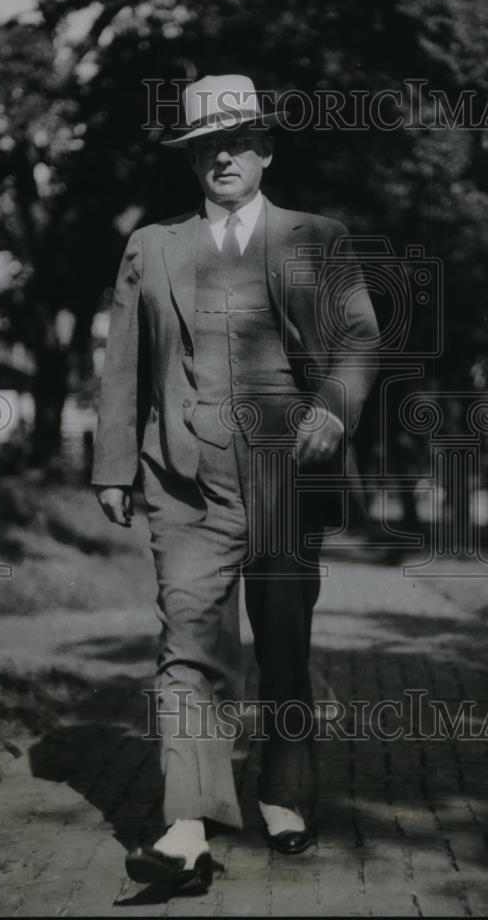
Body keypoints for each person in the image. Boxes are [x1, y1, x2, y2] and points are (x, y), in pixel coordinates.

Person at [92, 74, 379, 891]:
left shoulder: (318, 239)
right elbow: (123, 365)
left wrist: (333, 407)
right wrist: (115, 465)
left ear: (264, 149)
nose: (223, 155)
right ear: (192, 160)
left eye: (238, 140)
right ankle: (187, 830)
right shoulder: (153, 246)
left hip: (289, 474)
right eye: (205, 145)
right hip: (183, 480)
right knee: (189, 643)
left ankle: (285, 790)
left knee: (282, 644)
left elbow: (359, 339)